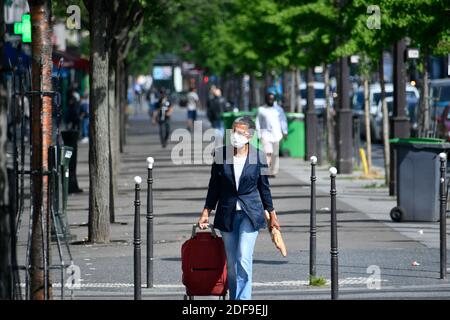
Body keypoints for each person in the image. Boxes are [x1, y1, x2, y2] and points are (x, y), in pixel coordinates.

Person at [198, 116, 281, 300]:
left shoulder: (259, 156)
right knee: (232, 264)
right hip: (227, 212)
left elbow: (264, 187)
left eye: (240, 132)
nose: (236, 135)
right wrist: (206, 212)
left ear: (250, 135)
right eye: (233, 131)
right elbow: (214, 187)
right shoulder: (221, 155)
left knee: (243, 257)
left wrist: (272, 214)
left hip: (250, 213)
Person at [255, 92, 287, 177]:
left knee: (275, 154)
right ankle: (266, 170)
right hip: (265, 134)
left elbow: (283, 121)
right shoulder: (261, 110)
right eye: (269, 99)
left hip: (276, 135)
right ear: (266, 100)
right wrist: (258, 134)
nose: (271, 100)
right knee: (267, 152)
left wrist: (285, 131)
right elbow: (258, 122)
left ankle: (273, 171)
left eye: (272, 99)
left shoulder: (279, 109)